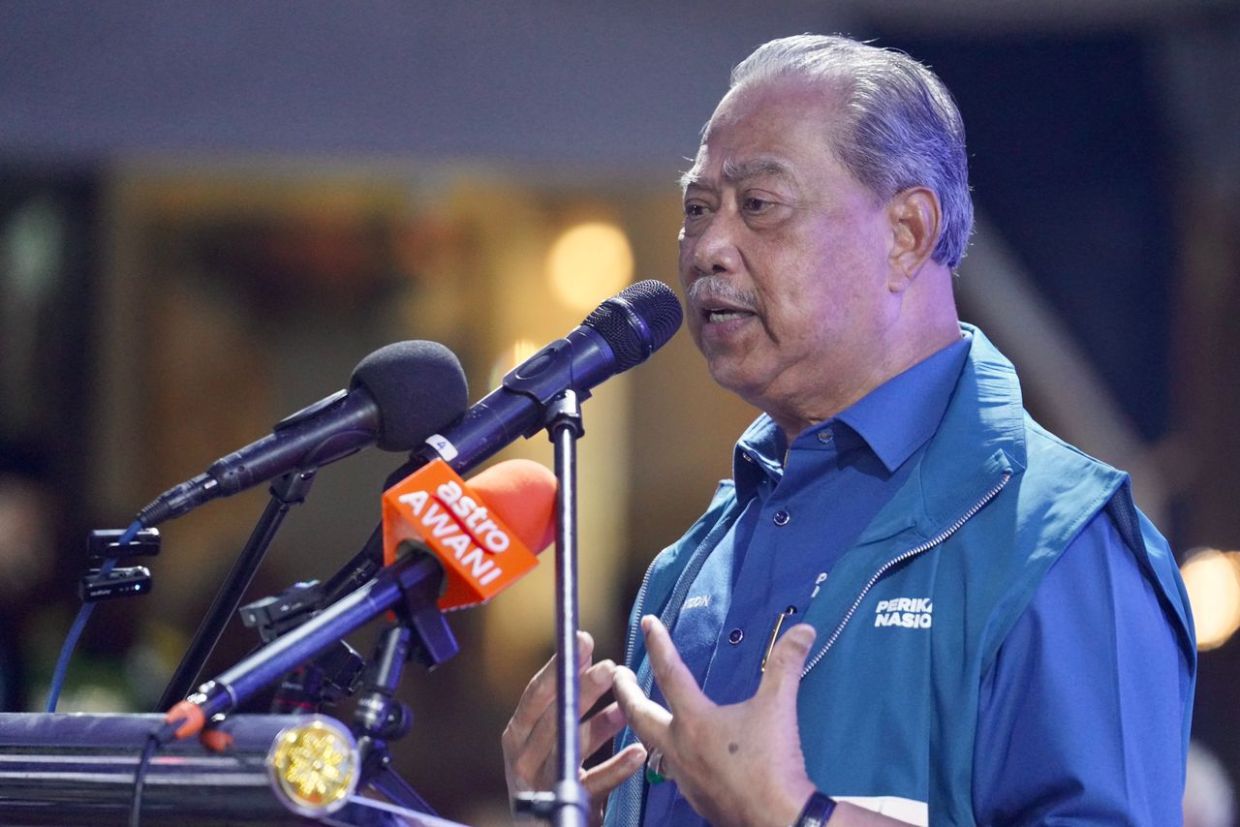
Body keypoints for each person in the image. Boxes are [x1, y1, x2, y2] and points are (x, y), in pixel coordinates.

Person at [502, 34, 1196, 826]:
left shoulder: (1056, 538)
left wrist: (802, 817)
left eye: (758, 204)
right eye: (697, 208)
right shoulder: (690, 568)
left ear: (907, 232)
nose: (708, 248)